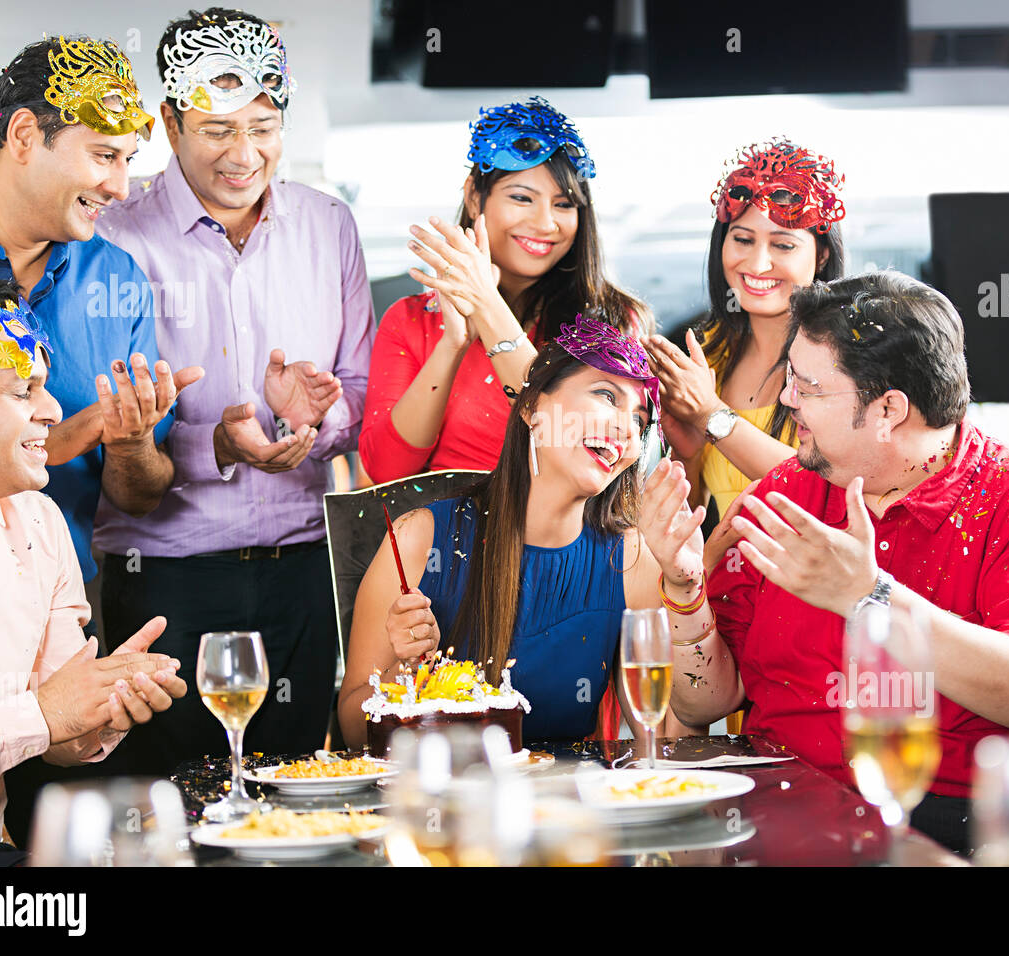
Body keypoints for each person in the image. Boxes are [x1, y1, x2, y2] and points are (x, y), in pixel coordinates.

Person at [671, 272, 1009, 855]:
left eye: (808, 386)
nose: (787, 399)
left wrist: (870, 595)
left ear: (889, 408)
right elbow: (706, 702)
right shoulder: (787, 493)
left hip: (946, 828)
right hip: (774, 815)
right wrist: (683, 589)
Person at [92, 7, 374, 777]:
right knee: (169, 807)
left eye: (263, 124)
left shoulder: (329, 224)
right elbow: (102, 422)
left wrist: (312, 419)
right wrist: (214, 441)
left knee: (296, 795)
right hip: (166, 579)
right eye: (216, 129)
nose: (243, 154)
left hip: (302, 574)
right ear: (169, 122)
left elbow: (357, 392)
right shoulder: (111, 235)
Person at [339, 316, 716, 749]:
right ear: (532, 409)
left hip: (573, 807)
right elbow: (353, 732)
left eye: (640, 418)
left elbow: (668, 736)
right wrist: (405, 672)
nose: (626, 429)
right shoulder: (418, 539)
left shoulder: (631, 558)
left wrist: (687, 589)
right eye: (605, 396)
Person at [0, 277, 187, 866]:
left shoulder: (38, 524)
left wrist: (101, 707)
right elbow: (41, 717)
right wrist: (46, 713)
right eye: (24, 392)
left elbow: (59, 738)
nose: (54, 412)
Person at [0, 37, 202, 584]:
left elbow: (139, 500)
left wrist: (129, 441)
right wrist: (49, 442)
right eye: (104, 155)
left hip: (60, 610)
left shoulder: (118, 280)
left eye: (128, 161)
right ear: (25, 136)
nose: (122, 187)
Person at [359, 96, 651, 484]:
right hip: (435, 541)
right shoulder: (411, 320)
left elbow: (563, 435)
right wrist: (452, 346)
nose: (545, 223)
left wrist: (486, 305)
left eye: (564, 204)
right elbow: (387, 472)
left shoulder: (612, 321)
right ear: (475, 195)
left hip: (558, 543)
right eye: (521, 198)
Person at [643, 139, 845, 545]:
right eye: (743, 239)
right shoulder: (707, 352)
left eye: (783, 245)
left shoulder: (849, 356)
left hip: (821, 593)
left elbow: (829, 495)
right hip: (726, 593)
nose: (757, 264)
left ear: (821, 255)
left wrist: (711, 415)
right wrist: (688, 451)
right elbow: (695, 515)